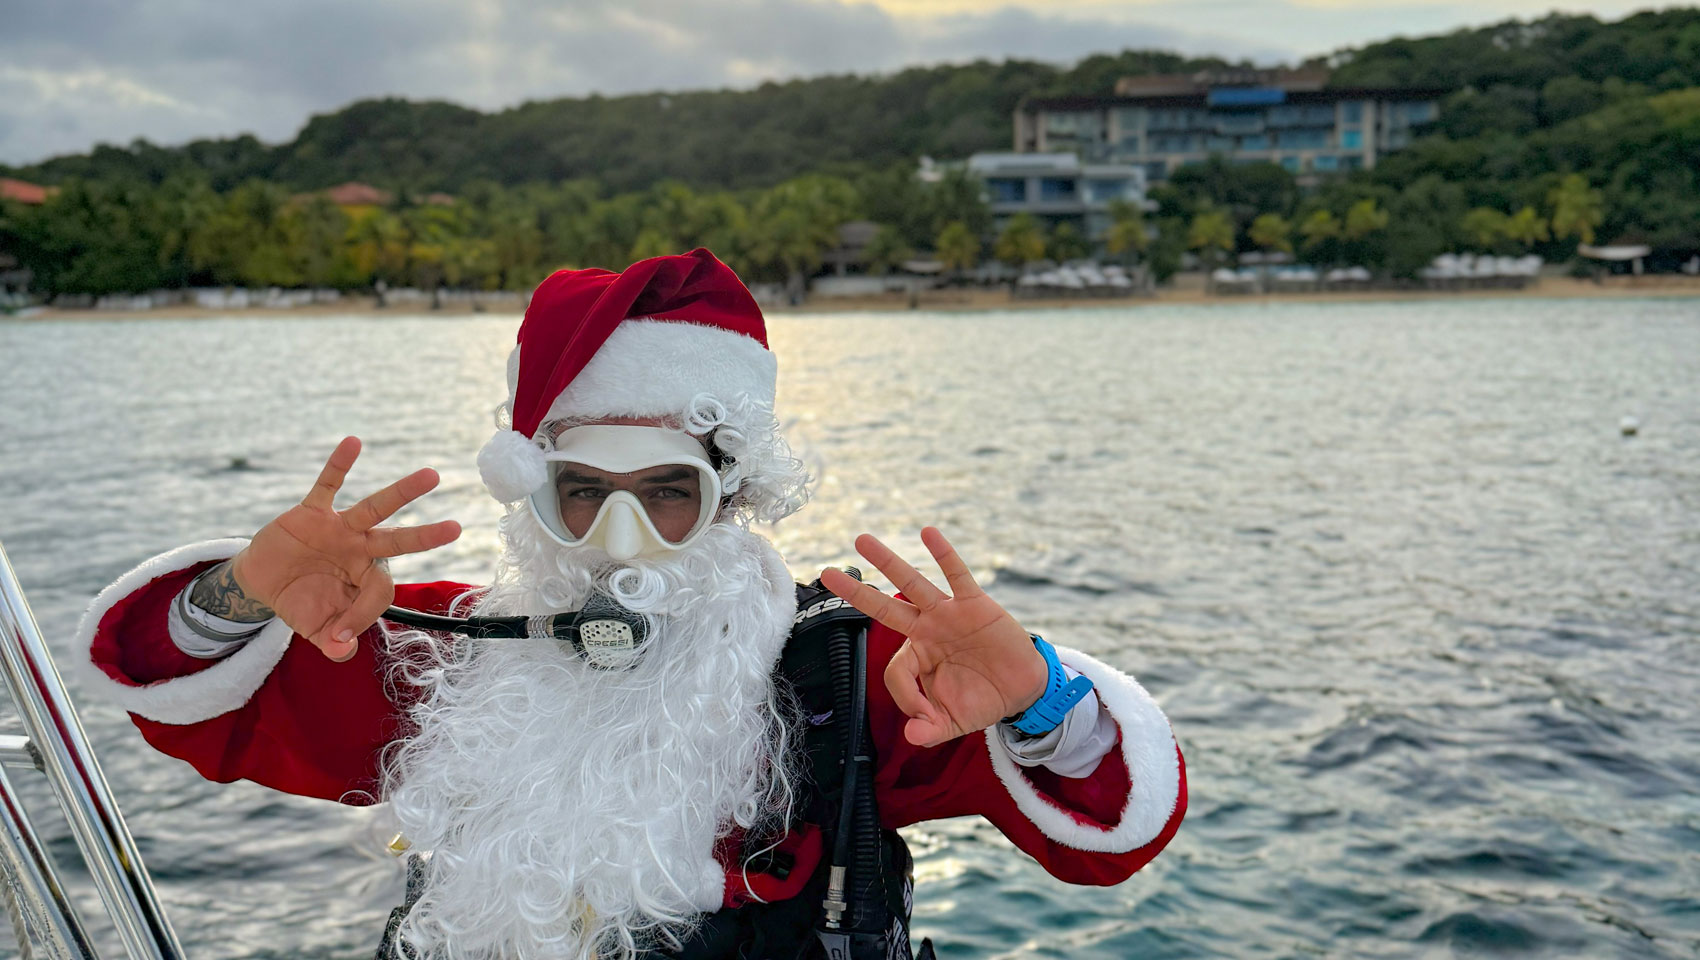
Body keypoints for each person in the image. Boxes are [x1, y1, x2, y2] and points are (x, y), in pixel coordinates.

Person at [77, 249, 1186, 960]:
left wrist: (1042, 700)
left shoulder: (853, 677)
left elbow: (1105, 838)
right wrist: (241, 597)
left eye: (668, 493)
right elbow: (196, 712)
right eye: (581, 494)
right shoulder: (450, 654)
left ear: (731, 497)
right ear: (531, 495)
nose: (620, 542)